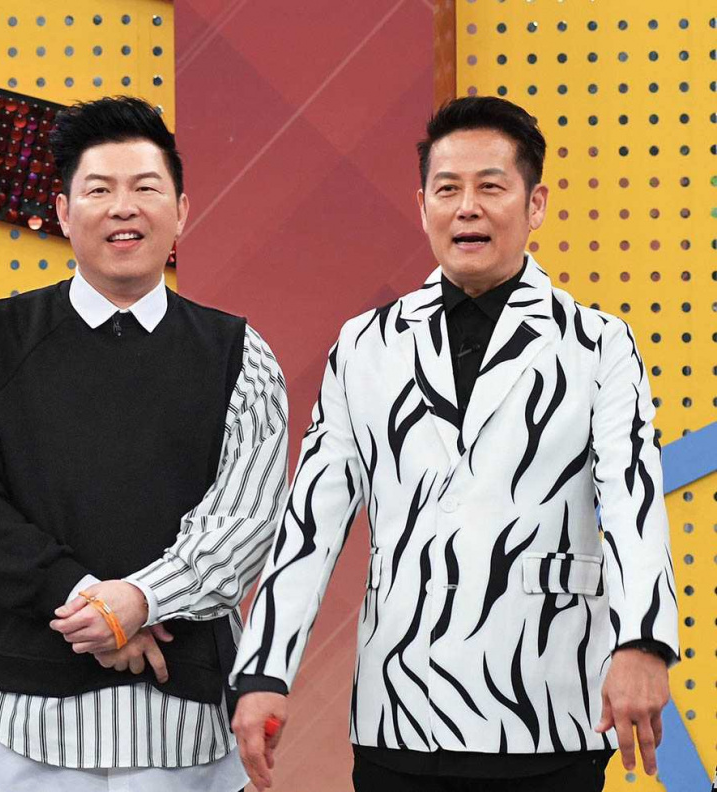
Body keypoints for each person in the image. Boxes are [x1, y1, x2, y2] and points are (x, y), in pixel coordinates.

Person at [230, 96, 678, 792]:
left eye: (491, 187)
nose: (467, 208)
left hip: (546, 707)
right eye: (447, 189)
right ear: (422, 206)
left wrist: (643, 641)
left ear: (535, 205)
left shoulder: (598, 344)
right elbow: (312, 521)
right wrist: (264, 670)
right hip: (400, 711)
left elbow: (633, 502)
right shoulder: (365, 345)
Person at [0, 96, 288, 792]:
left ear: (181, 211)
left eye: (146, 188)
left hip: (186, 735)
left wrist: (139, 603)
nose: (124, 208)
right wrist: (92, 602)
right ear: (64, 212)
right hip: (20, 730)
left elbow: (243, 526)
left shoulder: (238, 353)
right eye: (99, 190)